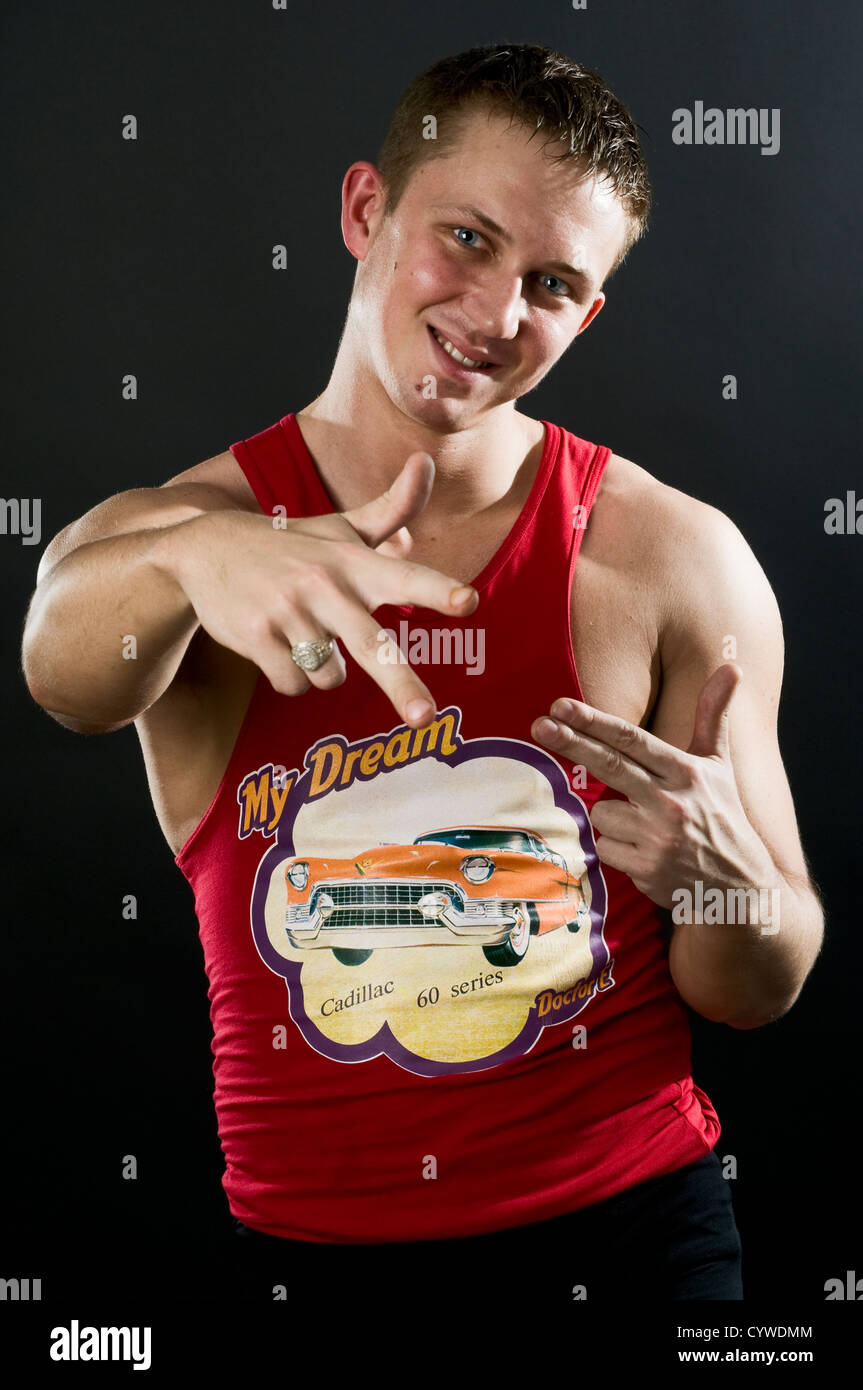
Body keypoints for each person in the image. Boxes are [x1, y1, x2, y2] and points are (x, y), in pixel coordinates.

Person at [21, 43, 823, 1304]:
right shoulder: (191, 533)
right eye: (466, 237)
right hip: (316, 1260)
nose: (498, 314)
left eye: (553, 282)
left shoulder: (674, 556)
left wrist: (724, 886)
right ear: (363, 212)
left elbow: (753, 987)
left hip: (634, 1238)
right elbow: (66, 669)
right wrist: (198, 560)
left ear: (589, 310)